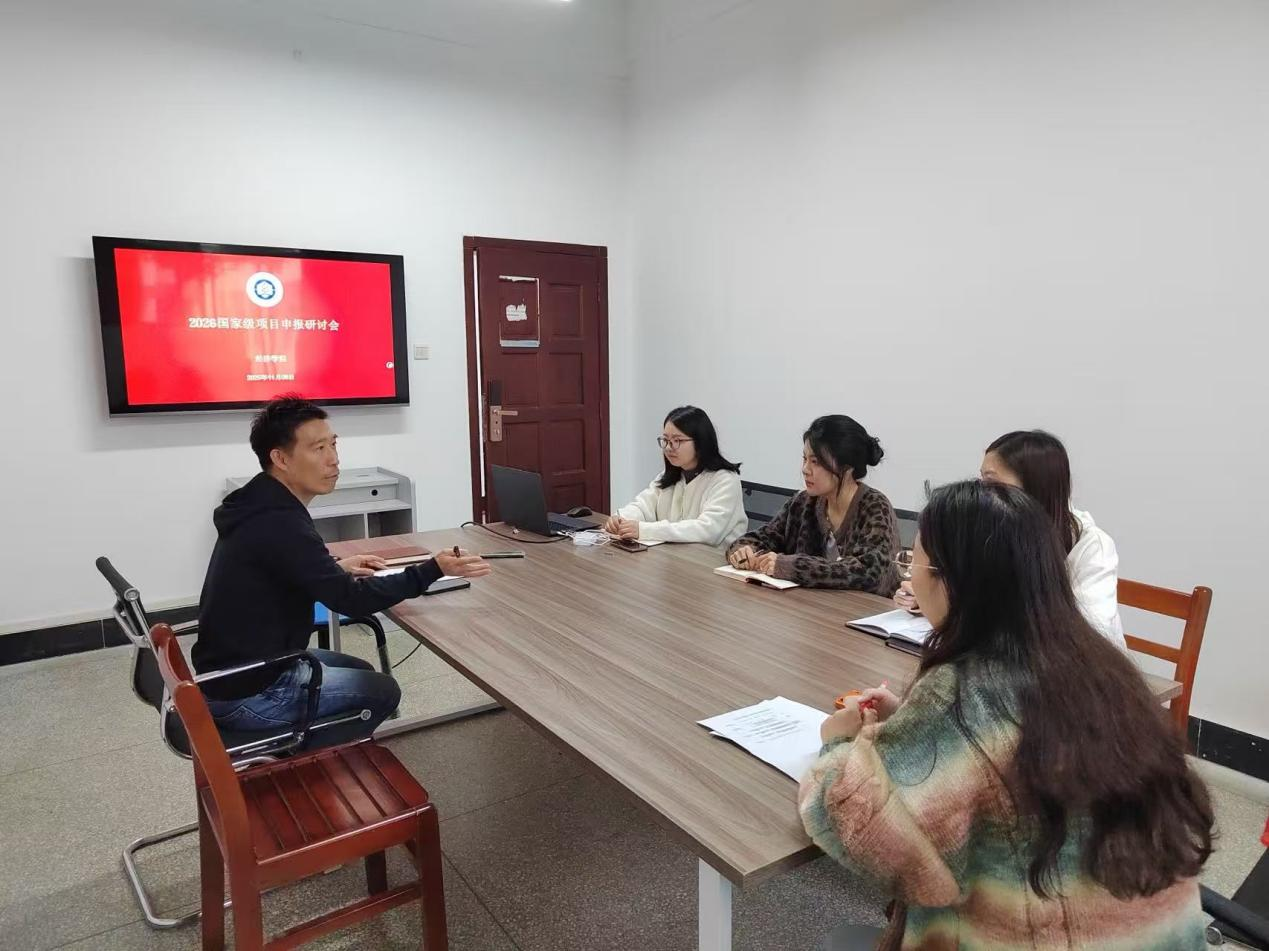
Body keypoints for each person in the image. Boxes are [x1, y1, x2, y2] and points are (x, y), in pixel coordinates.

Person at [801, 481, 1212, 950]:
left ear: (952, 580)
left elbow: (877, 840)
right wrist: (914, 722)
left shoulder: (963, 690)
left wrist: (837, 744)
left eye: (913, 561)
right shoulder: (1102, 668)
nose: (908, 576)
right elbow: (1002, 757)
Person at [193, 395, 491, 748]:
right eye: (318, 448)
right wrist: (432, 569)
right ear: (281, 459)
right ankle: (304, 765)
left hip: (231, 673)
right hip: (251, 691)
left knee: (361, 671)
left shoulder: (258, 501)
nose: (333, 459)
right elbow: (351, 600)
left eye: (333, 444)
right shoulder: (279, 521)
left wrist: (334, 569)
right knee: (382, 691)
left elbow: (280, 571)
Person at [895, 429, 1125, 647]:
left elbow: (1091, 632)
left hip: (1068, 667)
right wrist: (931, 597)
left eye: (991, 482)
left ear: (1033, 486)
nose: (982, 492)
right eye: (981, 480)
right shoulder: (994, 532)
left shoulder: (1091, 545)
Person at [724, 415, 899, 594]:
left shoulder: (875, 507)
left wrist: (793, 567)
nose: (805, 469)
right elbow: (762, 537)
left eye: (815, 462)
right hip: (807, 607)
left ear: (847, 468)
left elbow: (870, 573)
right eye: (805, 459)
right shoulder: (803, 503)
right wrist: (743, 551)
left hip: (860, 609)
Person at [603, 406, 747, 547]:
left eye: (677, 441)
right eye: (665, 440)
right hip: (673, 556)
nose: (668, 447)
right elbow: (644, 506)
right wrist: (621, 519)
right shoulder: (671, 475)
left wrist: (644, 530)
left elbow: (708, 531)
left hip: (712, 559)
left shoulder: (725, 480)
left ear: (700, 442)